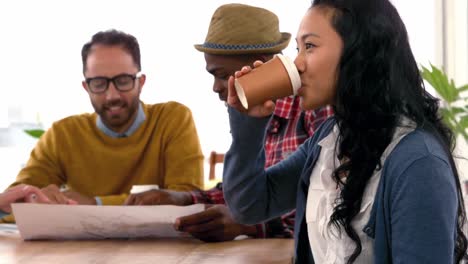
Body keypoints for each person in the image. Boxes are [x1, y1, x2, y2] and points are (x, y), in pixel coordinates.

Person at [222, 0, 468, 263]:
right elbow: (250, 205)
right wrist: (248, 123)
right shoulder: (330, 140)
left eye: (310, 46)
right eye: (298, 48)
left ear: (360, 52)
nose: (297, 64)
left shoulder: (419, 163)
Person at [125, 3, 333, 242]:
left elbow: (325, 205)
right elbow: (246, 194)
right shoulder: (252, 120)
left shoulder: (317, 110)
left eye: (222, 75)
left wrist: (252, 226)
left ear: (259, 65)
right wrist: (183, 199)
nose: (215, 88)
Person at [4, 29, 204, 212]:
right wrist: (35, 199)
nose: (111, 96)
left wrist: (95, 203)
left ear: (140, 82)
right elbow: (13, 202)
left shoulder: (172, 119)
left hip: (161, 249)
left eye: (123, 81)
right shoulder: (63, 134)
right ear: (86, 87)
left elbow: (187, 198)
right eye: (99, 83)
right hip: (79, 250)